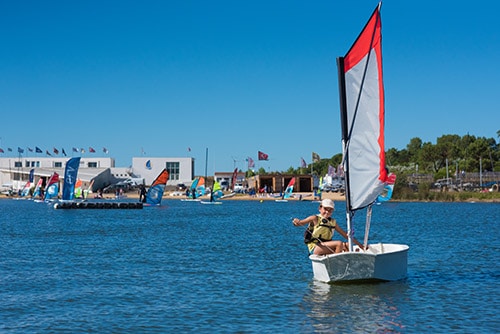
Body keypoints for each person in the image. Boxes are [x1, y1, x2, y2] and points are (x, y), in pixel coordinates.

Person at [292, 198, 366, 255]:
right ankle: (336, 264)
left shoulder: (333, 222)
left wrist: (360, 245)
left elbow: (346, 235)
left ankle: (348, 264)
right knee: (339, 244)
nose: (327, 212)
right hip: (315, 247)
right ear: (320, 208)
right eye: (325, 209)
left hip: (326, 245)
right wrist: (296, 222)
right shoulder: (315, 218)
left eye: (330, 210)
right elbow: (300, 223)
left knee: (347, 245)